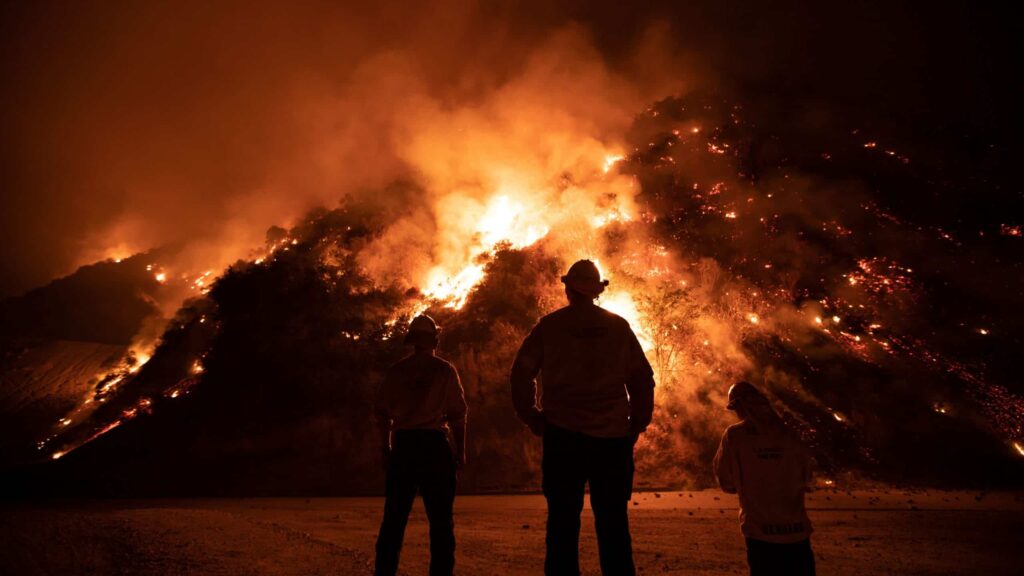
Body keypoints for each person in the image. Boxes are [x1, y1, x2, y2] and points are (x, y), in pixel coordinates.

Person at [510, 259, 655, 576]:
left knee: (562, 524)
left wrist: (531, 416)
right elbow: (642, 380)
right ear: (596, 291)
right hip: (612, 441)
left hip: (564, 438)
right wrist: (636, 424)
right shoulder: (618, 327)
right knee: (613, 524)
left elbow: (521, 374)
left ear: (568, 290)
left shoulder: (550, 326)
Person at [374, 314, 467, 576]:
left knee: (393, 520)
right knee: (440, 523)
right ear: (434, 340)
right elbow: (458, 416)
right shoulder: (445, 371)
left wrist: (385, 449)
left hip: (404, 447)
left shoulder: (396, 372)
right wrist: (460, 452)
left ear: (412, 341)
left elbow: (381, 414)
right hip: (434, 447)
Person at [713, 381, 816, 576]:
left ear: (739, 406)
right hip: (798, 533)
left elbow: (725, 479)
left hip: (760, 534)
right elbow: (808, 477)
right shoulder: (790, 433)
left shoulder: (735, 435)